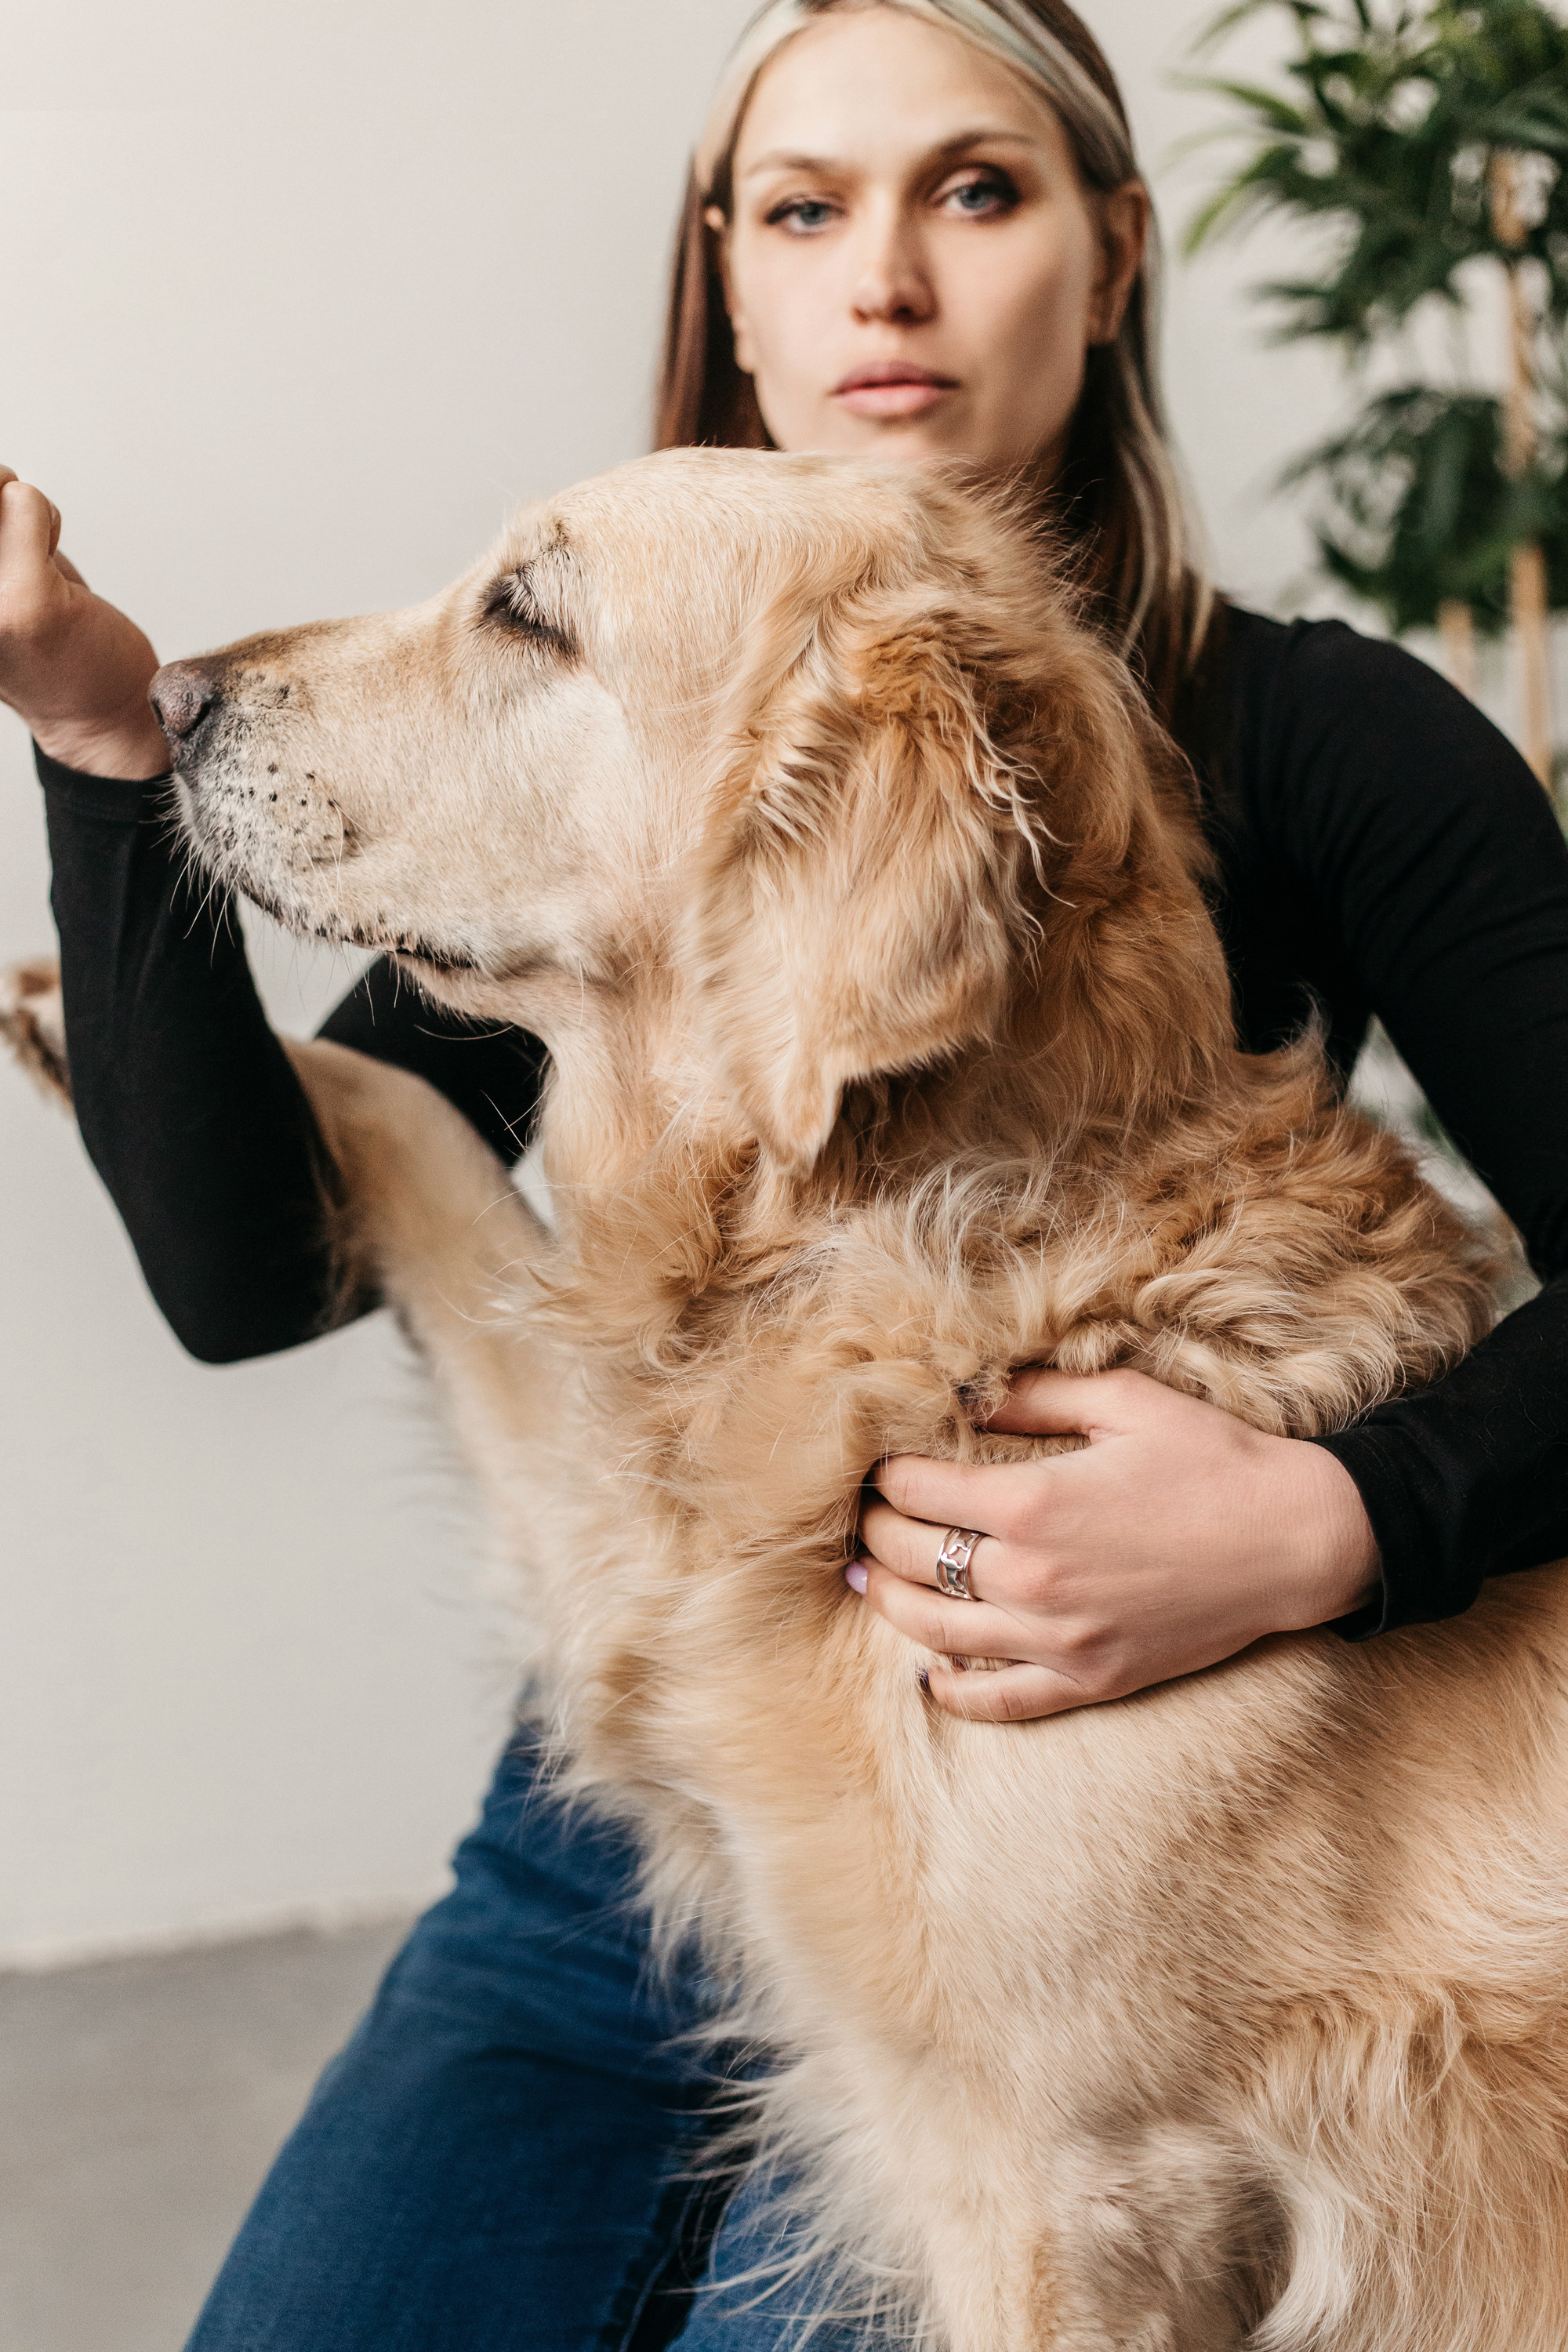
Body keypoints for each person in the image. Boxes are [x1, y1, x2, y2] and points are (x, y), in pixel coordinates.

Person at [3, 0, 1566, 2342]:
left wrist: (1334, 1519)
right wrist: (111, 739)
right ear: (725, 280)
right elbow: (247, 1274)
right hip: (600, 1850)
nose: (885, 284)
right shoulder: (663, 732)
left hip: (1051, 1822)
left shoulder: (1302, 739)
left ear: (1114, 253)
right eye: (804, 210)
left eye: (977, 189)